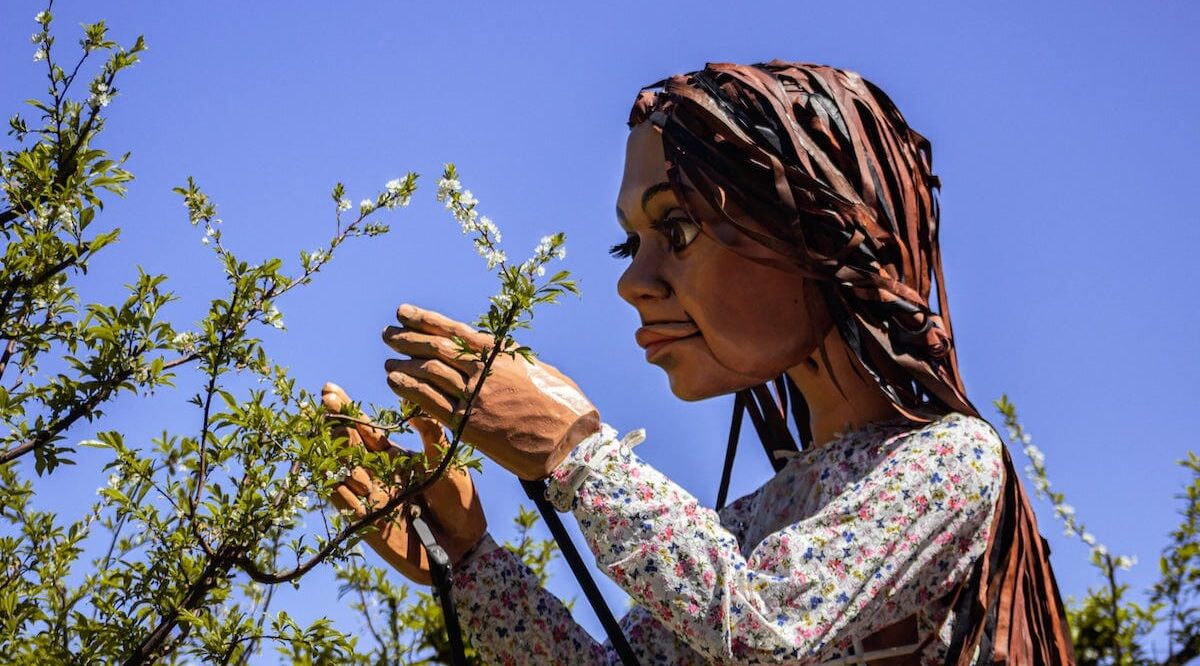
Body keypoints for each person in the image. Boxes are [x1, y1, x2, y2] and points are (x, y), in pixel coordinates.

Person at [322, 61, 1075, 665]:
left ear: (820, 230)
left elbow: (769, 631)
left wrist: (576, 452)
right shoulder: (756, 517)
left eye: (677, 228)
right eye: (631, 244)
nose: (631, 283)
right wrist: (469, 559)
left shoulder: (949, 461)